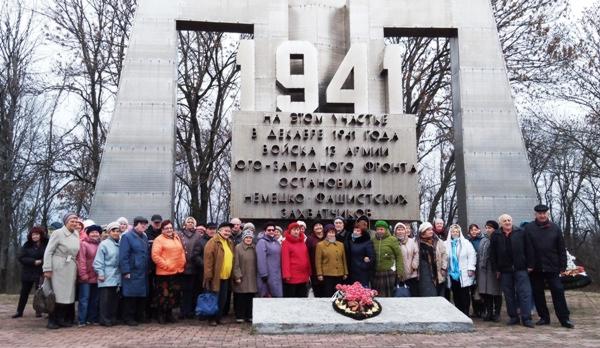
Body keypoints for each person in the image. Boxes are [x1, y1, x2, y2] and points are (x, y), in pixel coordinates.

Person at [525, 204, 574, 328]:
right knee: (538, 293)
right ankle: (544, 317)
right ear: (535, 214)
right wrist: (529, 265)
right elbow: (527, 248)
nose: (542, 215)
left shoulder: (555, 228)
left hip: (553, 267)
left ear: (547, 214)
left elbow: (561, 249)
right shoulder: (529, 228)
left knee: (558, 291)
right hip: (536, 267)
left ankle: (564, 319)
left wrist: (563, 266)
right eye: (539, 213)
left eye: (544, 213)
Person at [490, 214, 535, 328]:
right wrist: (496, 269)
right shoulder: (496, 235)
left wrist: (530, 264)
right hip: (505, 270)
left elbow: (529, 249)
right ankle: (513, 317)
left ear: (512, 221)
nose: (507, 222)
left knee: (524, 293)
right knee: (509, 295)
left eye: (509, 220)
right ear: (500, 223)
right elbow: (493, 254)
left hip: (521, 268)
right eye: (504, 221)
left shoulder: (521, 232)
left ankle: (526, 318)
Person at [43, 213, 82, 329]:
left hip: (70, 267)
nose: (74, 224)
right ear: (66, 222)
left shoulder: (76, 234)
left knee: (67, 295)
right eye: (72, 221)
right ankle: (52, 320)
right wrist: (47, 268)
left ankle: (61, 319)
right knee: (56, 294)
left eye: (76, 221)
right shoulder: (58, 233)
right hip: (58, 266)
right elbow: (48, 251)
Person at [151, 220, 186, 324]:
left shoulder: (176, 237)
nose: (169, 230)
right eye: (166, 228)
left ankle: (169, 314)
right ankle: (161, 315)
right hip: (164, 273)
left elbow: (182, 251)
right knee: (163, 295)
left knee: (173, 295)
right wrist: (166, 265)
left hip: (176, 271)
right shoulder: (159, 240)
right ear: (162, 230)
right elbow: (155, 256)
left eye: (170, 228)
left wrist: (183, 261)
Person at [203, 222, 235, 326]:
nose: (227, 233)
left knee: (223, 299)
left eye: (229, 231)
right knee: (213, 298)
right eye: (225, 230)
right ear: (219, 231)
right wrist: (208, 276)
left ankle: (218, 317)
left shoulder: (229, 242)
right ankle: (211, 319)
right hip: (215, 277)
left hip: (225, 277)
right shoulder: (212, 242)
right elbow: (208, 261)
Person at [119, 216, 150, 326]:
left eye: (145, 225)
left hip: (142, 270)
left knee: (140, 295)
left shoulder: (144, 237)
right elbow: (123, 255)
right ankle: (128, 317)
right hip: (132, 270)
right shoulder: (127, 237)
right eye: (142, 224)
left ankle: (139, 316)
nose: (144, 226)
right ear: (135, 224)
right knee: (130, 295)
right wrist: (126, 271)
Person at [13, 226, 48, 319]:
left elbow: (49, 255)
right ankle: (19, 311)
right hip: (28, 271)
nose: (35, 236)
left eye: (37, 234)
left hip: (40, 271)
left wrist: (41, 261)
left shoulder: (46, 244)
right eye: (33, 235)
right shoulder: (27, 245)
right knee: (24, 292)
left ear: (40, 235)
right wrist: (33, 261)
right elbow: (21, 257)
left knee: (39, 292)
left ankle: (38, 311)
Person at [93, 221, 122, 326]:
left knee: (114, 300)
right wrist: (100, 273)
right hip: (106, 275)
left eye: (118, 231)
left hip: (117, 276)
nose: (116, 233)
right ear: (109, 232)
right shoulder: (103, 244)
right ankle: (104, 319)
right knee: (105, 299)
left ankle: (112, 318)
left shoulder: (120, 243)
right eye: (114, 231)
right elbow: (98, 261)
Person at [444, 224, 476, 316]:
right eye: (453, 231)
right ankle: (458, 312)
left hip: (463, 273)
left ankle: (466, 311)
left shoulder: (466, 243)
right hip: (452, 273)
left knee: (464, 294)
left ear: (459, 232)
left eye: (457, 231)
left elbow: (472, 255)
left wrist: (471, 268)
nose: (455, 233)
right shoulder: (446, 244)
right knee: (455, 293)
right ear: (450, 232)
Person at [177, 216, 203, 319]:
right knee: (183, 290)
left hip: (194, 267)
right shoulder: (179, 235)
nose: (190, 223)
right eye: (188, 221)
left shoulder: (198, 236)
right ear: (185, 223)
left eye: (192, 222)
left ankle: (191, 311)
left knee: (193, 290)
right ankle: (183, 311)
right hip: (182, 267)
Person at [76, 224, 102, 326]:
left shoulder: (101, 244)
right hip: (86, 276)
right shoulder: (83, 244)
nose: (95, 234)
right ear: (88, 233)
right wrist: (83, 274)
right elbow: (81, 260)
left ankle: (91, 318)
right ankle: (81, 319)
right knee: (84, 299)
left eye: (97, 232)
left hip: (97, 276)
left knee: (95, 299)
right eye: (92, 232)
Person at [477, 220, 502, 322]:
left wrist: (498, 268)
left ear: (495, 229)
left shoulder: (498, 238)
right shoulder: (483, 240)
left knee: (496, 292)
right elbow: (479, 254)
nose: (488, 229)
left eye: (490, 228)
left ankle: (497, 313)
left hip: (494, 269)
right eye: (486, 227)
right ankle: (489, 312)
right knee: (486, 292)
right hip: (483, 269)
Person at [371, 220, 404, 297]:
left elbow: (399, 255)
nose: (379, 231)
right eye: (378, 229)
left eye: (382, 229)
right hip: (376, 273)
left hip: (389, 273)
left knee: (389, 295)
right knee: (377, 295)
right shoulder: (373, 240)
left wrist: (400, 271)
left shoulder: (392, 239)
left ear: (386, 230)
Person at [315, 224, 348, 297]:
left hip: (339, 274)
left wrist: (345, 272)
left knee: (338, 294)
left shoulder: (340, 245)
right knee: (328, 294)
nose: (331, 234)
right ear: (326, 233)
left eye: (333, 232)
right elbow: (318, 261)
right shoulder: (320, 245)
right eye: (329, 232)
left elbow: (344, 259)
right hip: (327, 275)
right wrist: (319, 274)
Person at [416, 222, 448, 297]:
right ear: (423, 232)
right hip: (424, 273)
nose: (431, 231)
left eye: (431, 229)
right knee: (428, 294)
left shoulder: (438, 241)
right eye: (428, 230)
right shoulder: (417, 242)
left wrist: (443, 267)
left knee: (439, 294)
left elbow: (444, 255)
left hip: (438, 271)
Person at [233, 230, 257, 323]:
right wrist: (237, 276)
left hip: (252, 277)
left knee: (250, 297)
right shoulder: (238, 248)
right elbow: (235, 263)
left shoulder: (254, 248)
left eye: (250, 237)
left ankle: (249, 315)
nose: (248, 239)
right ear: (243, 238)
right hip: (242, 276)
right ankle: (240, 316)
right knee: (241, 297)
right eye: (246, 237)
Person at [281, 222, 311, 297]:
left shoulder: (302, 242)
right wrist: (286, 275)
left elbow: (306, 257)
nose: (296, 231)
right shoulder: (286, 243)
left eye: (298, 230)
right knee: (292, 299)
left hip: (303, 276)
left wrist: (309, 271)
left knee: (302, 299)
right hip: (292, 278)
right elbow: (285, 260)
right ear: (290, 231)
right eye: (294, 230)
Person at [256, 222, 283, 297]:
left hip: (277, 275)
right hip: (267, 276)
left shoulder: (276, 242)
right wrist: (263, 274)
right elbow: (261, 259)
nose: (271, 231)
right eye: (269, 230)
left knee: (277, 298)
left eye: (273, 230)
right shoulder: (262, 242)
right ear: (265, 231)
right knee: (267, 299)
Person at [394, 222, 419, 296]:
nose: (400, 231)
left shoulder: (412, 241)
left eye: (402, 229)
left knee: (413, 295)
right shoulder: (393, 242)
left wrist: (414, 266)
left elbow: (416, 253)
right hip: (397, 275)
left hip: (411, 273)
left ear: (405, 231)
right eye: (398, 229)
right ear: (395, 231)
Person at [348, 222, 375, 287]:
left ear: (362, 232)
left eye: (358, 231)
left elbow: (371, 257)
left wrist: (363, 266)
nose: (355, 232)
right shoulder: (351, 241)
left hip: (362, 273)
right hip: (352, 272)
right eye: (355, 230)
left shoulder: (367, 242)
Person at [467, 223, 485, 318]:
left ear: (478, 230)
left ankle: (483, 310)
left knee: (481, 289)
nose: (473, 231)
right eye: (471, 230)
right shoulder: (467, 241)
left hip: (481, 268)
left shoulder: (482, 240)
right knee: (473, 290)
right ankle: (475, 310)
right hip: (472, 269)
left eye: (475, 229)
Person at [306, 222, 326, 297]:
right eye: (316, 225)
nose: (318, 227)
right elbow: (307, 254)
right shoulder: (310, 239)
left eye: (320, 225)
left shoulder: (327, 237)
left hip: (327, 269)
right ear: (313, 228)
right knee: (317, 292)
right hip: (315, 270)